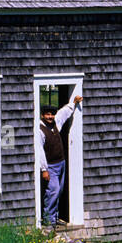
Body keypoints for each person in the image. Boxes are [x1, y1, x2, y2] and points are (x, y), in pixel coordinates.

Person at [36, 94, 83, 226]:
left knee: (59, 191)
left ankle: (55, 218)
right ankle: (48, 220)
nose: (50, 117)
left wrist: (73, 103)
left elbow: (64, 113)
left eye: (52, 114)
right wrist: (44, 169)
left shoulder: (56, 123)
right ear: (42, 115)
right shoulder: (40, 130)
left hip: (61, 163)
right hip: (50, 166)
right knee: (53, 191)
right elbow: (40, 151)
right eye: (47, 114)